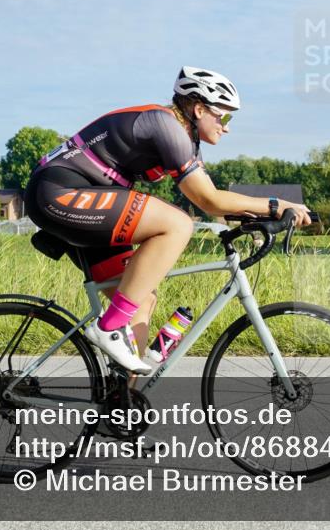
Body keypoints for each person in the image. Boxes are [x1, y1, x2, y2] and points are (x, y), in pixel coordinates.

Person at [24, 66, 312, 374]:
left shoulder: (186, 139)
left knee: (141, 301)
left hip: (86, 197)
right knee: (177, 224)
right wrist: (276, 204)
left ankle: (122, 407)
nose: (227, 127)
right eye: (224, 116)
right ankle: (109, 328)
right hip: (59, 192)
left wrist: (260, 216)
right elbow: (208, 200)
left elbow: (215, 203)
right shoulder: (166, 126)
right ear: (199, 108)